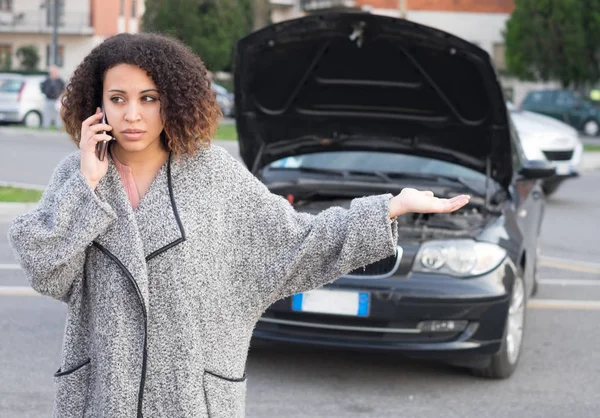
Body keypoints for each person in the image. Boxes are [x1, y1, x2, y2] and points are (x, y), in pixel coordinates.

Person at [7, 33, 470, 418]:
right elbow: (48, 271)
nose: (132, 114)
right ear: (97, 104)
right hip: (102, 398)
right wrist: (87, 186)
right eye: (118, 98)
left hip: (190, 400)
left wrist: (388, 209)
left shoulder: (213, 174)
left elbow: (298, 242)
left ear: (172, 101)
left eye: (148, 98)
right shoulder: (77, 174)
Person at [40, 65, 65, 129]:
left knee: (58, 115)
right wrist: (46, 93)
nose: (53, 73)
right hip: (48, 99)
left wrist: (60, 96)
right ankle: (45, 127)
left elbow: (63, 89)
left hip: (57, 100)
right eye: (51, 72)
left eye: (54, 72)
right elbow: (42, 88)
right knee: (47, 114)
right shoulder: (47, 80)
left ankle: (58, 127)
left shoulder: (60, 81)